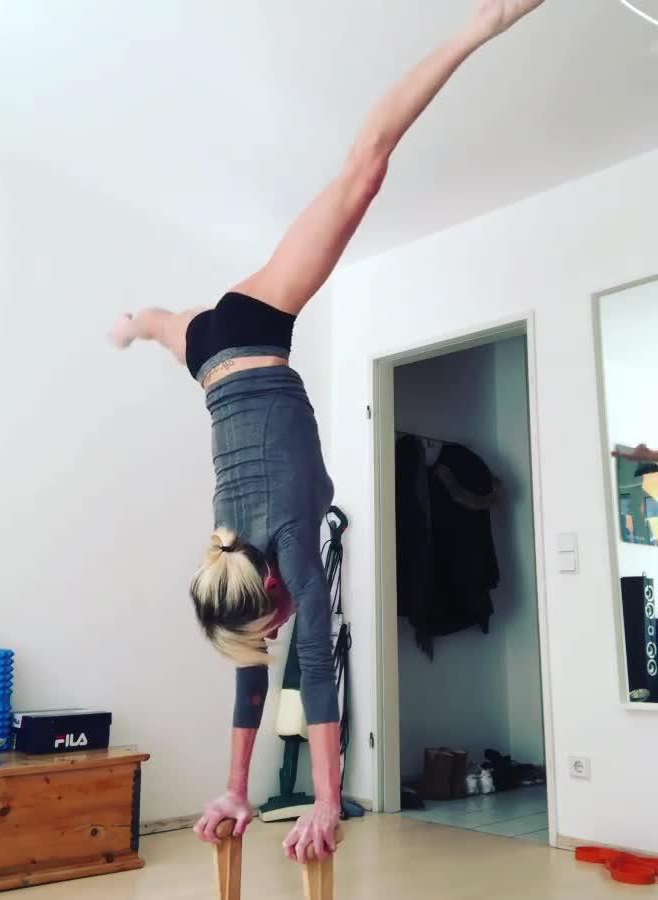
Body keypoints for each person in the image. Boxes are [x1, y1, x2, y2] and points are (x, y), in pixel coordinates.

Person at [111, 0, 546, 864]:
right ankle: (136, 322)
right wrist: (235, 787)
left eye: (266, 623)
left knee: (365, 170)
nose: (270, 637)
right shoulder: (226, 550)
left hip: (252, 332)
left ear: (265, 590)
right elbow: (251, 674)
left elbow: (315, 670)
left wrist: (322, 800)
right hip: (204, 357)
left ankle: (481, 23)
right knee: (163, 322)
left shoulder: (286, 552)